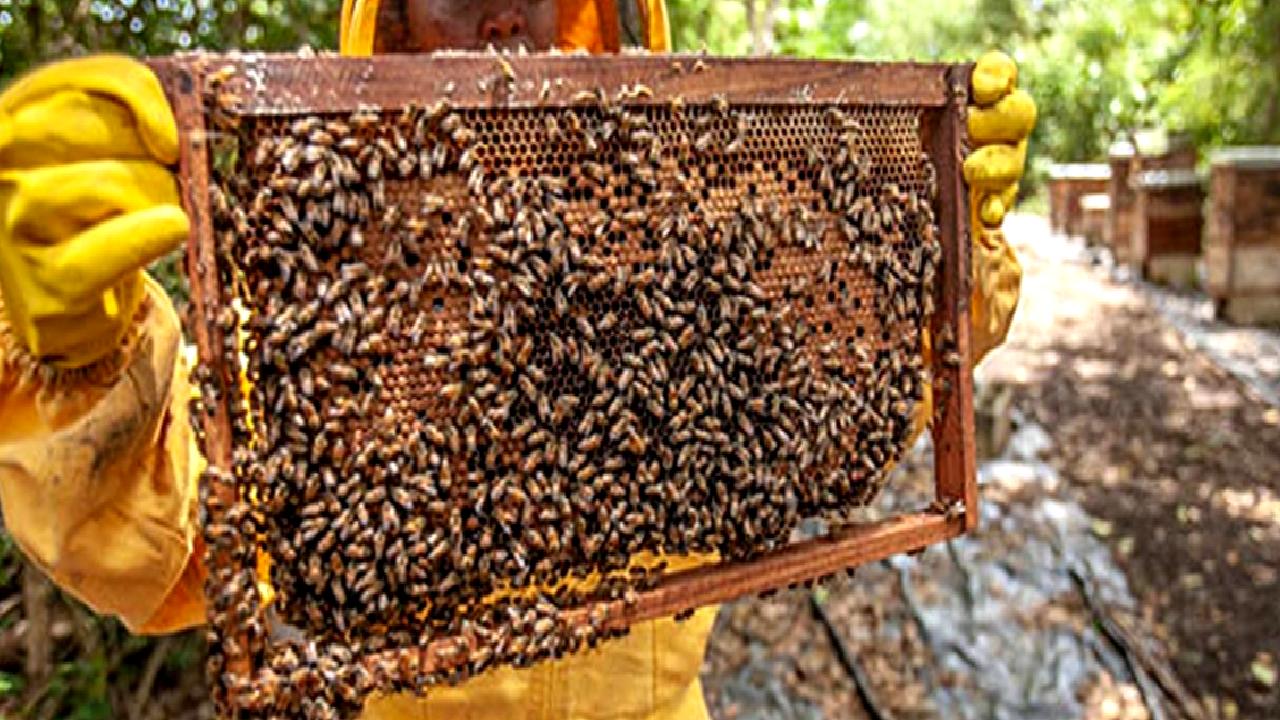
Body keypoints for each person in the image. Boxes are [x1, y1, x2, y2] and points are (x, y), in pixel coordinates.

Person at [0, 1, 1035, 717]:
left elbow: (845, 393)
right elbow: (172, 546)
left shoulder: (710, 237)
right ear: (387, 24)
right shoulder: (330, 283)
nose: (508, 24)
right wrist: (87, 364)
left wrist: (942, 249)